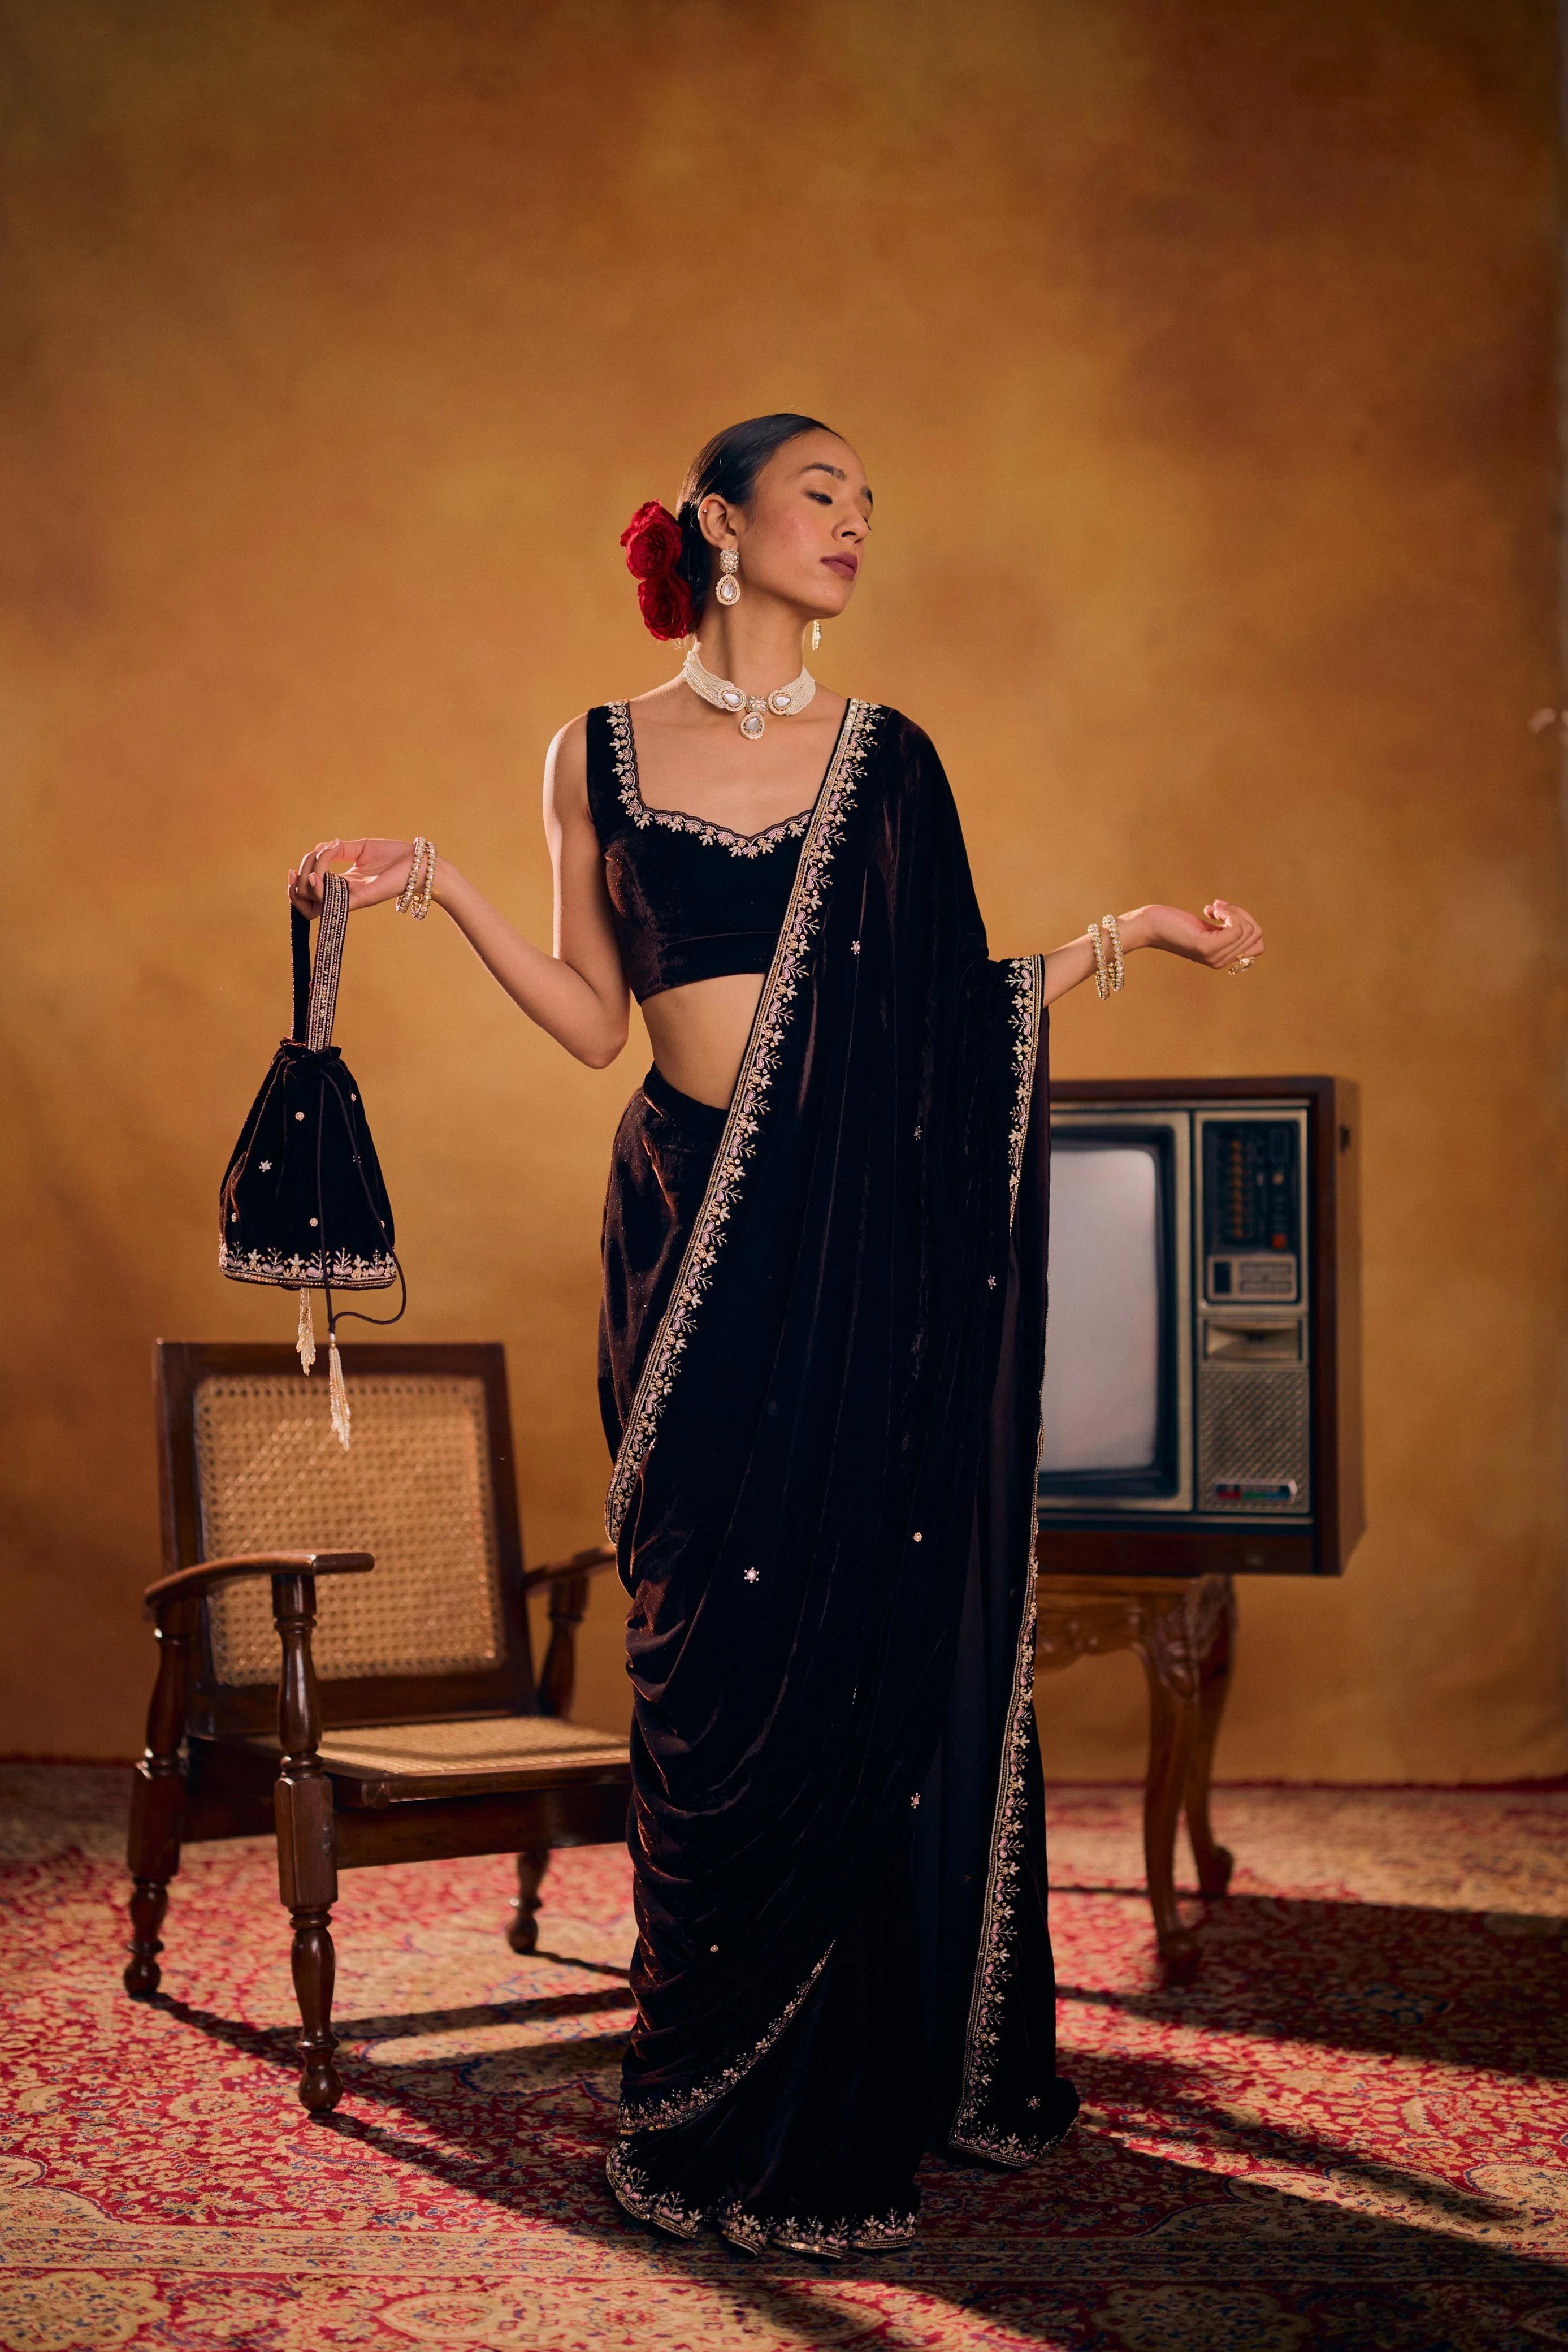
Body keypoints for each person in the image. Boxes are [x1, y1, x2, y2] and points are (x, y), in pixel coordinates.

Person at [290, 413, 1264, 2258]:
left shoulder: (891, 763)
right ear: (722, 524)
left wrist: (1126, 936)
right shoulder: (589, 748)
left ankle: (843, 2098)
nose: (858, 525)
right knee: (706, 1648)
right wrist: (435, 885)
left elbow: (950, 1020)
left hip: (856, 1248)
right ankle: (706, 2078)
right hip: (689, 1235)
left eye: (872, 504)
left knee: (849, 1637)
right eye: (826, 493)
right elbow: (596, 1020)